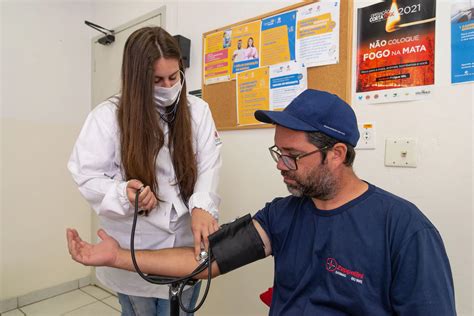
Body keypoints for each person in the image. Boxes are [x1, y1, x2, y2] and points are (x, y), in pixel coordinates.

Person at [67, 89, 456, 315]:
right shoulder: (283, 215)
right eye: (277, 152)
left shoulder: (404, 230)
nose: (281, 166)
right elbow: (203, 262)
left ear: (336, 154)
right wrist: (117, 256)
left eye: (292, 156)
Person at [67, 26, 222, 316]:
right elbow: (86, 174)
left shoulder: (197, 111)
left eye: (173, 77)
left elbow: (209, 163)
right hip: (134, 247)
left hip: (185, 248)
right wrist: (123, 193)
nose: (168, 86)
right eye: (157, 80)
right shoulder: (107, 117)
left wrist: (202, 205)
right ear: (137, 79)